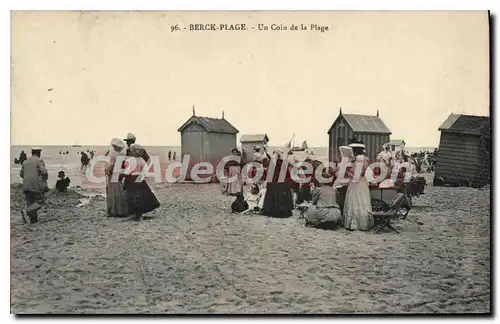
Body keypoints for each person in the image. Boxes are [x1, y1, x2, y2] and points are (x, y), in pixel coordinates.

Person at [123, 144, 160, 221]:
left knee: (132, 196)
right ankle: (140, 214)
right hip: (140, 179)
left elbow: (127, 172)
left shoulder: (131, 160)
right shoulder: (142, 160)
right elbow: (145, 171)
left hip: (131, 179)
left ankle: (135, 214)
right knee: (141, 196)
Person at [343, 142, 374, 231]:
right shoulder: (361, 159)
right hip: (359, 183)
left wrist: (347, 171)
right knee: (359, 201)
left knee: (356, 201)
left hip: (358, 183)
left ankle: (357, 224)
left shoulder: (361, 160)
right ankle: (359, 223)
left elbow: (358, 174)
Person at [261, 149, 294, 218]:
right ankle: (283, 209)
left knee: (273, 195)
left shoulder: (272, 162)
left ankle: (271, 209)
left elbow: (269, 175)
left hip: (274, 183)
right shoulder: (283, 162)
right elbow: (287, 175)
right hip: (282, 183)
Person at [20, 147, 48, 224]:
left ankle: (33, 220)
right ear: (39, 153)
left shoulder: (25, 162)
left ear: (32, 153)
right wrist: (44, 182)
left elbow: (21, 174)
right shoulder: (39, 161)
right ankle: (26, 212)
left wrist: (27, 179)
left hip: (25, 185)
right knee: (41, 201)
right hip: (35, 185)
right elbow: (44, 172)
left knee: (30, 203)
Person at [105, 138, 129, 218]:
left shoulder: (113, 155)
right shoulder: (122, 154)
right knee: (119, 191)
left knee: (112, 192)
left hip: (113, 174)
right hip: (119, 174)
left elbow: (111, 165)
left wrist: (107, 171)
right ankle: (121, 210)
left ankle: (113, 210)